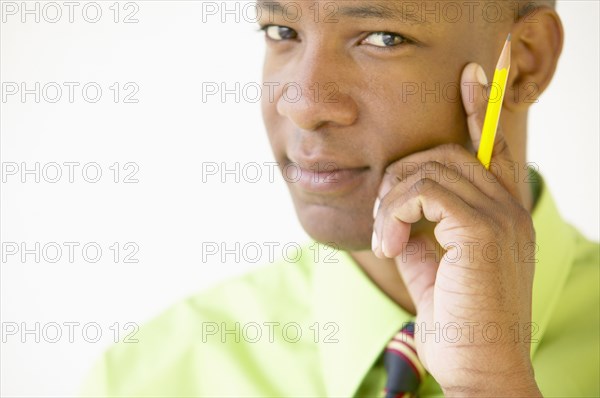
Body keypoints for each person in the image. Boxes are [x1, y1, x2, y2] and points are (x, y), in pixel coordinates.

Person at [80, 1, 599, 396]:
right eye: (281, 31)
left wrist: (492, 385)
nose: (303, 105)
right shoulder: (149, 376)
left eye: (383, 37)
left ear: (525, 62)